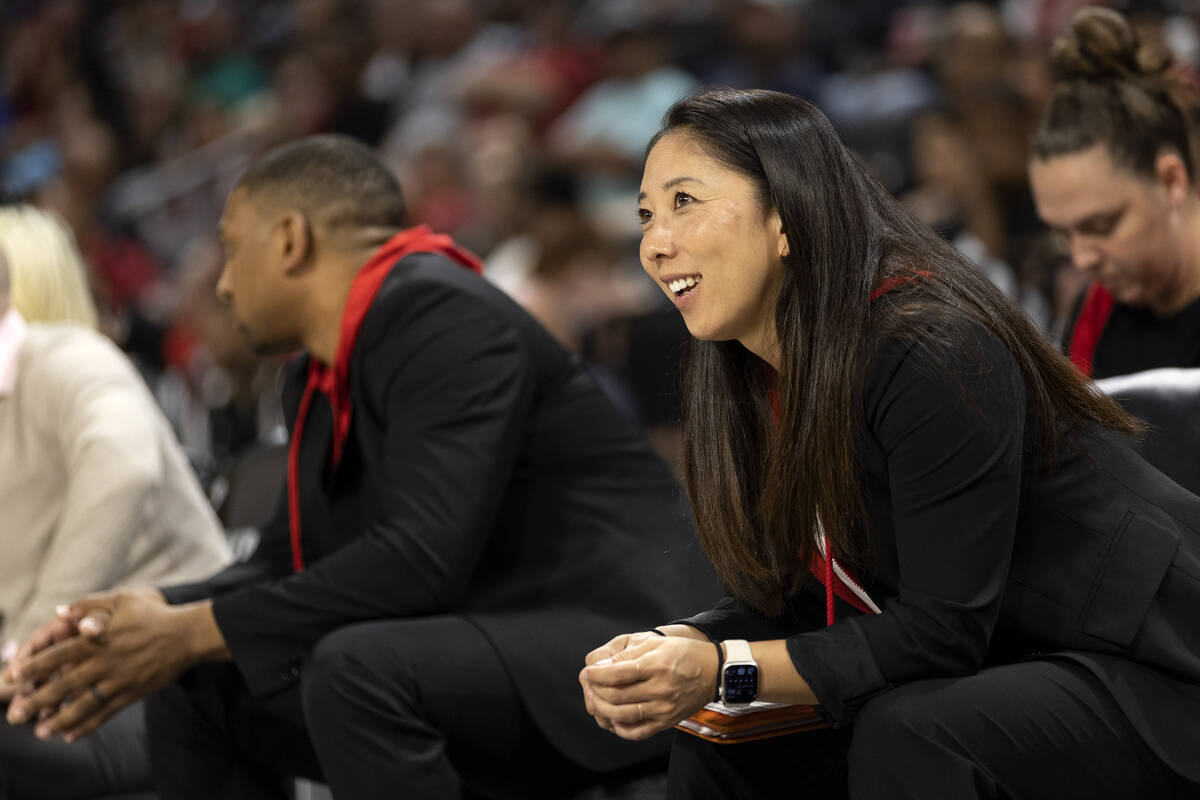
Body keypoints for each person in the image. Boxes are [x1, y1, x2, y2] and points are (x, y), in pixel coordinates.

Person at [4, 135, 714, 799]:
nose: (221, 286)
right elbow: (293, 561)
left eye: (230, 250)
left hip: (627, 642)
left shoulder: (440, 313)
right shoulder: (315, 371)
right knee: (195, 671)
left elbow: (418, 560)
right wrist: (162, 613)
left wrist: (193, 626)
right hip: (493, 634)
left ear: (290, 240)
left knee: (356, 668)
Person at [578, 87, 1200, 799]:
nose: (655, 243)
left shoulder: (927, 347)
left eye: (684, 201)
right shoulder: (753, 375)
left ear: (786, 216)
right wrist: (688, 645)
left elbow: (943, 631)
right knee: (726, 735)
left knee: (908, 730)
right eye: (646, 215)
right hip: (1017, 666)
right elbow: (802, 600)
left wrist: (728, 667)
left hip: (1156, 670)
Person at [0, 205, 231, 799]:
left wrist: (27, 647)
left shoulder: (69, 359)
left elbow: (123, 466)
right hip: (66, 681)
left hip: (169, 681)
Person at [1028, 7, 1200, 379]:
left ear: (1172, 181)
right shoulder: (1095, 314)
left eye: (1101, 225)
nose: (1081, 258)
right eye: (1064, 233)